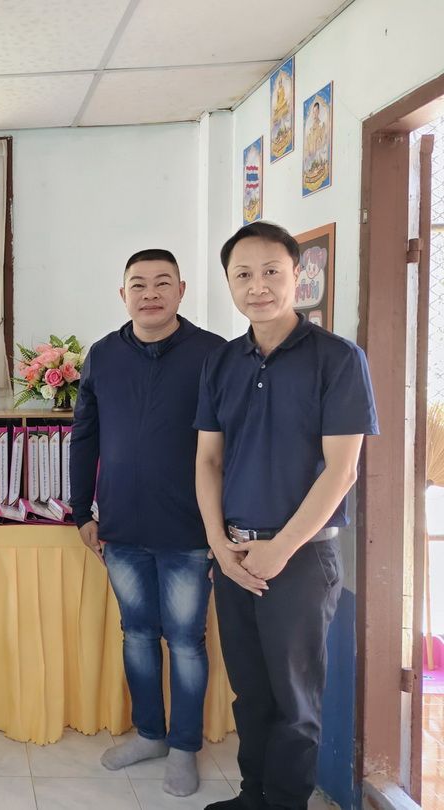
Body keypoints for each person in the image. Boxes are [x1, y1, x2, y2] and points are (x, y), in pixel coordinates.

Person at [195, 222, 378, 810]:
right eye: (243, 275)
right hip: (235, 553)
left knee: (295, 701)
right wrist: (219, 544)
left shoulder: (338, 359)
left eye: (271, 271)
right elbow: (208, 460)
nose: (258, 286)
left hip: (300, 557)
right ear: (229, 283)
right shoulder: (222, 361)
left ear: (298, 275)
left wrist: (281, 548)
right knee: (250, 693)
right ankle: (253, 795)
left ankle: (285, 803)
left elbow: (341, 471)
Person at [69, 249, 225, 796]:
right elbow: (84, 434)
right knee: (136, 634)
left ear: (181, 290)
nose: (150, 293)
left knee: (185, 640)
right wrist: (81, 510)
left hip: (189, 531)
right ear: (123, 295)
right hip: (121, 527)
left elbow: (231, 445)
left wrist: (223, 528)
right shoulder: (103, 355)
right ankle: (150, 735)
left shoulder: (213, 354)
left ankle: (184, 747)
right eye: (138, 284)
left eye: (162, 283)